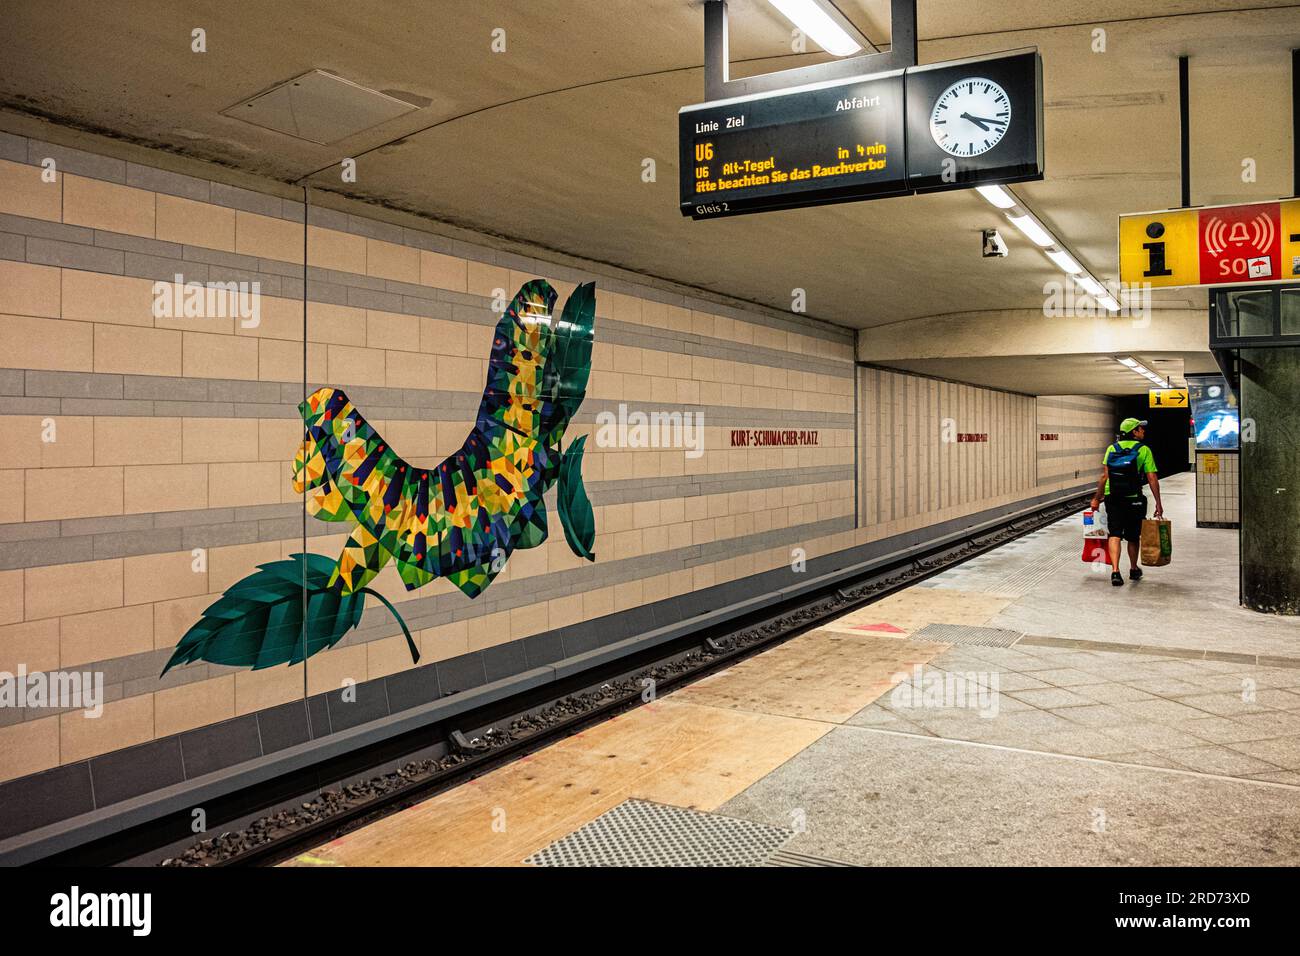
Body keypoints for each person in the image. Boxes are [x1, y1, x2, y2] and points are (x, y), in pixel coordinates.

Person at [1090, 417, 1163, 587]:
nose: (1143, 431)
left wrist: (1096, 498)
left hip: (1113, 497)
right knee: (1132, 536)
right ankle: (1133, 568)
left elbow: (1104, 477)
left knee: (1114, 533)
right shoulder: (1143, 450)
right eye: (1140, 429)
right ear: (1134, 432)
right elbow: (1152, 477)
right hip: (1133, 498)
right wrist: (1158, 503)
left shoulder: (1111, 449)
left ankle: (1115, 571)